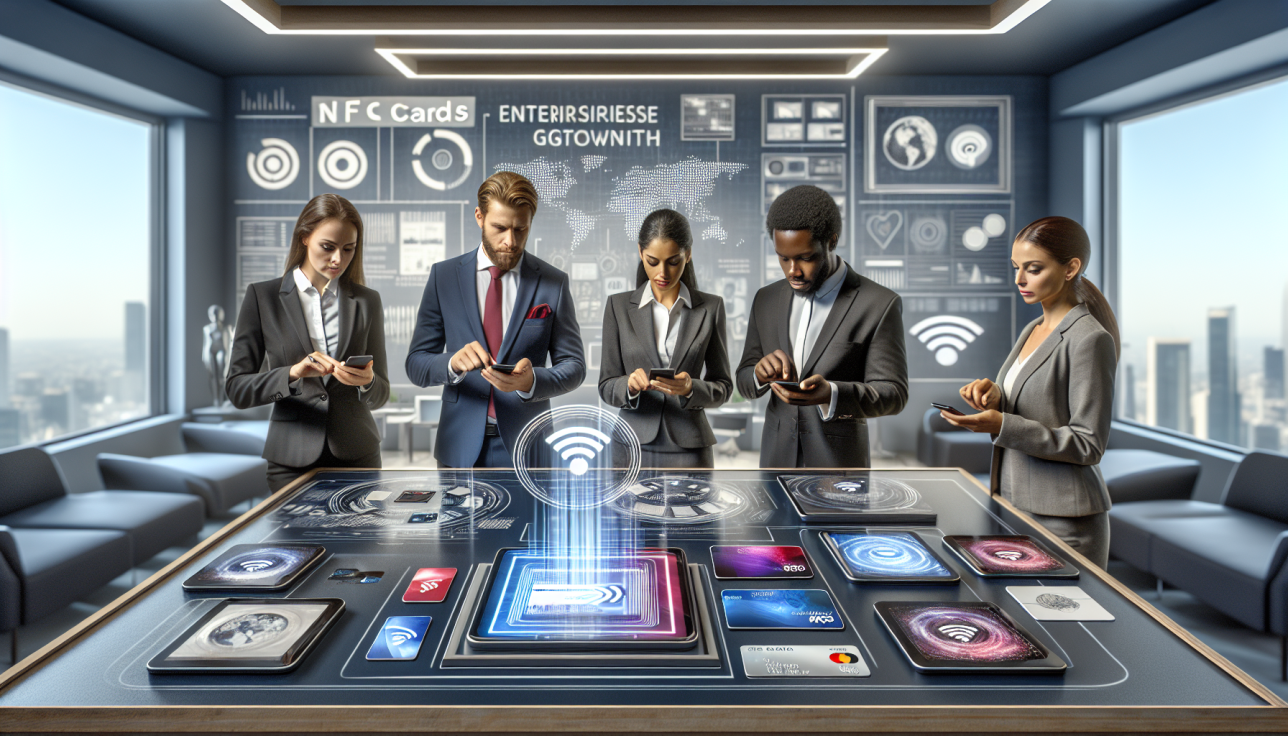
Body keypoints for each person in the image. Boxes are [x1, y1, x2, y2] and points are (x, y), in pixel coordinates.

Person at [943, 216, 1118, 568]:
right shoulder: (1033, 328)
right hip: (1014, 503)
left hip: (1065, 521)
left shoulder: (1089, 339)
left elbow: (1088, 444)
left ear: (1071, 268)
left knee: (1061, 622)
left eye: (1033, 269)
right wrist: (994, 395)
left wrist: (1002, 425)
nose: (1020, 279)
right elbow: (1034, 401)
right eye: (1016, 268)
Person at [406, 171, 586, 468]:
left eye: (520, 230)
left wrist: (532, 381)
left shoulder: (554, 283)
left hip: (530, 449)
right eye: (499, 228)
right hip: (459, 446)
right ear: (479, 216)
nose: (510, 242)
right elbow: (416, 364)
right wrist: (452, 363)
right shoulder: (444, 277)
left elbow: (575, 366)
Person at [736, 185, 908, 468]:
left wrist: (832, 394)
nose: (793, 271)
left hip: (839, 469)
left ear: (831, 241)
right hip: (775, 464)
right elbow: (744, 380)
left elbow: (893, 394)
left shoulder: (879, 303)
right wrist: (757, 373)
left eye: (805, 258)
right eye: (783, 258)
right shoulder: (765, 299)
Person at [226, 194, 390, 492]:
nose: (338, 259)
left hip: (359, 455)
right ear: (304, 238)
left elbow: (381, 393)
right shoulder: (262, 298)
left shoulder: (367, 301)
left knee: (360, 541)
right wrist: (293, 374)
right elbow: (237, 389)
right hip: (290, 460)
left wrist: (366, 382)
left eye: (348, 249)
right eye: (328, 247)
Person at [599, 209, 733, 469]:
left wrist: (690, 388)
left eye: (673, 262)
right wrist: (628, 385)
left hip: (691, 446)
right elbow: (606, 385)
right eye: (652, 261)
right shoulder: (617, 306)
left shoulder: (711, 308)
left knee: (695, 510)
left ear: (688, 254)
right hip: (630, 446)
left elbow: (723, 386)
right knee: (626, 512)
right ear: (640, 253)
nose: (663, 273)